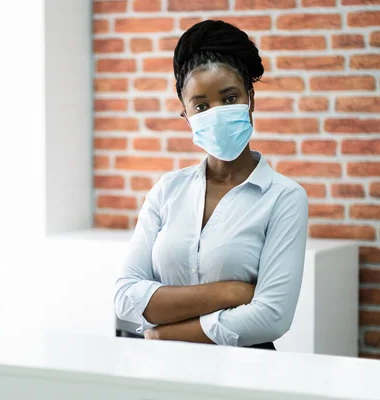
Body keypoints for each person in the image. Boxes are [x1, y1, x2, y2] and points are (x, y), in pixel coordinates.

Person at [113, 20, 308, 350]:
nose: (216, 113)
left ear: (251, 99)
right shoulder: (167, 191)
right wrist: (231, 292)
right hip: (163, 372)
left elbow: (272, 317)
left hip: (245, 373)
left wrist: (165, 332)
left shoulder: (284, 197)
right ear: (186, 116)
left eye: (230, 98)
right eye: (201, 106)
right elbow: (125, 297)